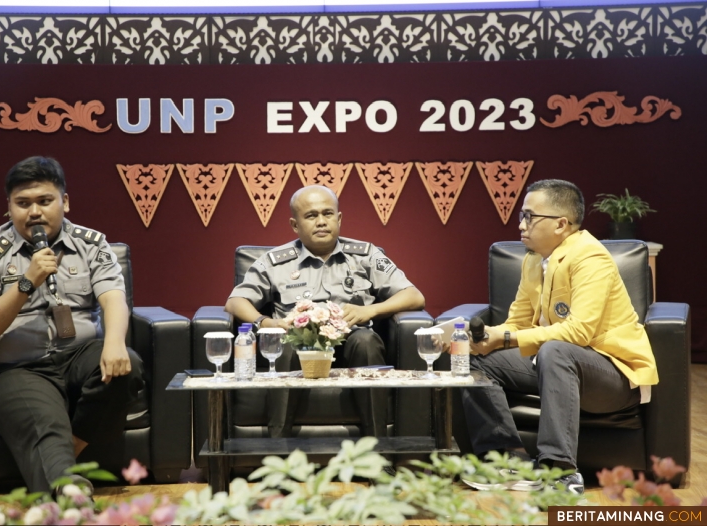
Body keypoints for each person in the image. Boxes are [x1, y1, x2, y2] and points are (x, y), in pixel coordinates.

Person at [0, 156, 144, 495]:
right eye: (23, 203)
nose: (34, 212)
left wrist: (115, 342)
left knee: (127, 366)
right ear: (9, 207)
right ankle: (70, 492)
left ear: (64, 202)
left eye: (45, 201)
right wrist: (27, 282)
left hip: (78, 355)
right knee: (43, 421)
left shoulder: (91, 243)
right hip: (19, 368)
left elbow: (113, 296)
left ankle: (63, 465)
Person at [459, 179, 658, 495]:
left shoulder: (590, 257)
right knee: (472, 358)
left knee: (556, 350)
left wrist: (504, 336)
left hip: (615, 377)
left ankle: (560, 472)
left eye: (529, 216)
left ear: (561, 224)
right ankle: (508, 459)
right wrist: (487, 340)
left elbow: (578, 332)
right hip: (553, 363)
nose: (521, 224)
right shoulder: (533, 259)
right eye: (522, 216)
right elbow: (518, 324)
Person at [225, 185, 425, 439]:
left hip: (352, 342)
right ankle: (278, 452)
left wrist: (371, 310)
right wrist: (264, 321)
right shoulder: (274, 261)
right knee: (287, 343)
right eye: (311, 216)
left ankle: (378, 451)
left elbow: (415, 296)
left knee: (366, 341)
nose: (321, 222)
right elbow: (235, 301)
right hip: (298, 345)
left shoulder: (366, 255)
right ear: (295, 225)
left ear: (339, 219)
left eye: (328, 214)